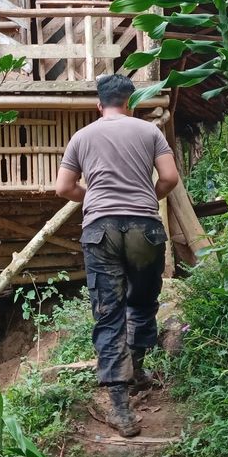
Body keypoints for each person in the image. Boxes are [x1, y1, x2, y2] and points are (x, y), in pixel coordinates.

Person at [55, 74, 180, 437]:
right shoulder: (149, 133)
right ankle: (138, 369)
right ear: (131, 102)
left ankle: (121, 408)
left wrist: (91, 197)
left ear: (99, 103)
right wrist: (146, 194)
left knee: (108, 313)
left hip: (101, 231)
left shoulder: (82, 136)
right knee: (141, 302)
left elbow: (63, 187)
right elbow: (169, 179)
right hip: (145, 226)